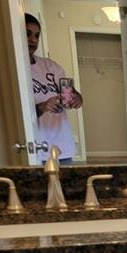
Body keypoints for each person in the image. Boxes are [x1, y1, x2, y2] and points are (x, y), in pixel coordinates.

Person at [25, 13, 83, 164]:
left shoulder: (51, 66)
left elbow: (70, 92)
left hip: (63, 145)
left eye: (37, 36)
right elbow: (19, 114)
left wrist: (77, 99)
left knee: (67, 186)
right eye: (28, 34)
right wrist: (44, 106)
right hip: (37, 148)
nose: (33, 40)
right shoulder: (17, 72)